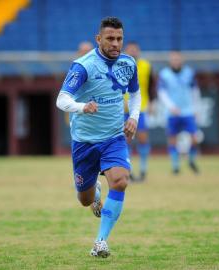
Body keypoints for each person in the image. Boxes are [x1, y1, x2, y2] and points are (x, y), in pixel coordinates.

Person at [56, 17, 140, 258]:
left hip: (114, 137)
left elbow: (135, 93)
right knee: (83, 199)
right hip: (84, 141)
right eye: (110, 38)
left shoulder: (128, 63)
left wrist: (133, 116)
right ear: (99, 39)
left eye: (119, 39)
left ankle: (100, 241)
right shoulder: (83, 66)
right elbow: (61, 99)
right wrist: (83, 107)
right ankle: (94, 192)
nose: (116, 44)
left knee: (121, 180)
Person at [158, 51, 201, 174]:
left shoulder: (189, 73)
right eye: (173, 59)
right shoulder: (164, 74)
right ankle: (175, 165)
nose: (176, 61)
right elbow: (162, 93)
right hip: (172, 112)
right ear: (170, 61)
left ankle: (191, 160)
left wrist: (196, 108)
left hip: (188, 110)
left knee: (194, 137)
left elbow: (195, 91)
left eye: (178, 59)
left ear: (182, 60)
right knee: (172, 138)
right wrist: (171, 106)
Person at [124, 42, 156, 182]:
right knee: (126, 140)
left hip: (140, 108)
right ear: (126, 51)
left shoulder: (146, 66)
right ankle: (128, 171)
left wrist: (152, 103)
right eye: (130, 50)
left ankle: (143, 171)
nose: (133, 52)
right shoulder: (120, 65)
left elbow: (151, 86)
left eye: (135, 50)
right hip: (122, 109)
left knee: (143, 138)